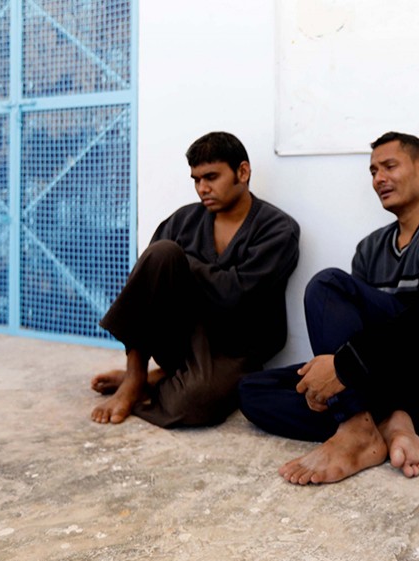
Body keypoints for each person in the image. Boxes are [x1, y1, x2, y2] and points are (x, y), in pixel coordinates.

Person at [239, 131, 419, 485]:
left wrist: (341, 368)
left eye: (389, 166)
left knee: (326, 284)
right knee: (252, 391)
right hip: (378, 378)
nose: (379, 178)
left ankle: (355, 427)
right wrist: (335, 375)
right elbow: (354, 336)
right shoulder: (370, 248)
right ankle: (386, 423)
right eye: (373, 171)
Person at [90, 131, 300, 428]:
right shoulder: (183, 220)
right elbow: (148, 283)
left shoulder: (278, 229)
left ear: (242, 171)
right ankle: (135, 377)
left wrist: (185, 262)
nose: (203, 188)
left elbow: (235, 295)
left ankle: (158, 380)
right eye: (196, 180)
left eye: (211, 177)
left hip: (236, 348)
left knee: (194, 404)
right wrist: (175, 259)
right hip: (182, 335)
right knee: (161, 253)